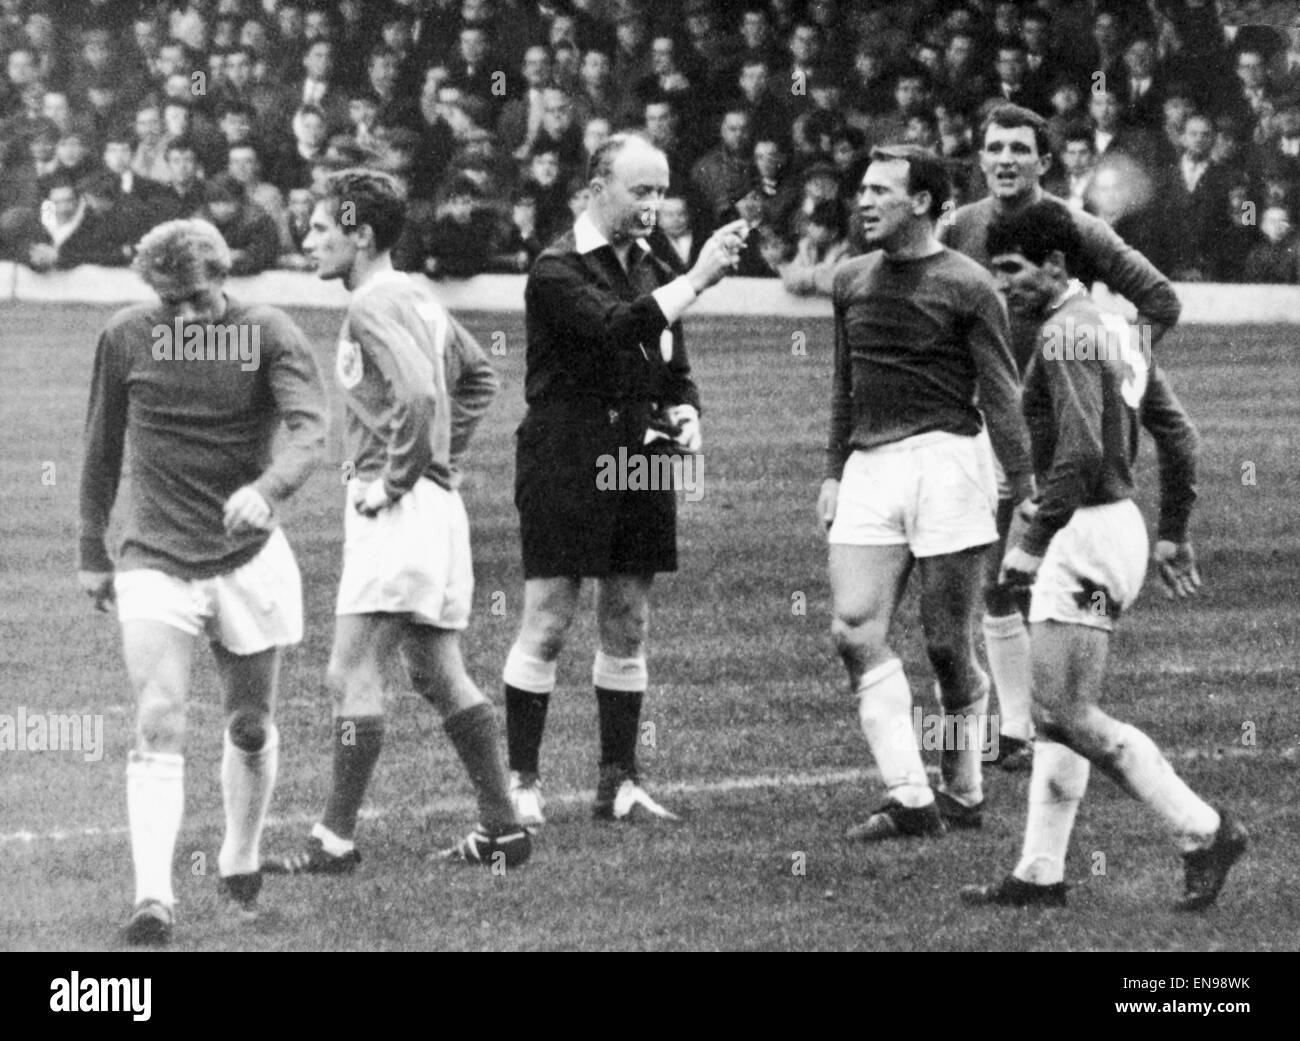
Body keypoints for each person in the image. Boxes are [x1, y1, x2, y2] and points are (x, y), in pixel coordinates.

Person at [962, 199, 1246, 909]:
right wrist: (1173, 527)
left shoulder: (1063, 333)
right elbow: (1174, 437)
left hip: (1083, 532)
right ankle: (1039, 870)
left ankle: (1203, 828)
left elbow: (1084, 452)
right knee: (1061, 713)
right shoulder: (1113, 325)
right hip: (1111, 527)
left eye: (1014, 271)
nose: (1005, 287)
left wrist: (1030, 542)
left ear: (1056, 265)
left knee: (1065, 713)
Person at [263, 168, 530, 874]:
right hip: (437, 510)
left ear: (361, 233)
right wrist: (439, 457)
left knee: (350, 670)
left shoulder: (372, 307)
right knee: (439, 672)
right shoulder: (419, 295)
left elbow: (416, 390)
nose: (310, 237)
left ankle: (333, 839)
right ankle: (502, 826)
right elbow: (477, 378)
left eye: (323, 228)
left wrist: (398, 475)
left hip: (398, 508)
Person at [77, 218, 329, 944]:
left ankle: (241, 852)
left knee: (249, 724)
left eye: (197, 298)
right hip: (152, 552)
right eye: (169, 302)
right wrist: (91, 550)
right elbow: (99, 448)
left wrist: (270, 487)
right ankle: (152, 897)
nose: (185, 315)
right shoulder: (127, 335)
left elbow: (312, 428)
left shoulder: (269, 329)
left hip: (247, 553)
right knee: (158, 716)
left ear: (224, 277)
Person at [942, 104, 1199, 772]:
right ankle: (1019, 727)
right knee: (997, 583)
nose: (1003, 159)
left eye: (1019, 149)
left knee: (1027, 569)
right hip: (991, 425)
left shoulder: (1078, 229)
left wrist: (1127, 367)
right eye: (992, 147)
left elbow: (1161, 299)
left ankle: (1048, 724)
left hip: (1061, 424)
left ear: (1044, 161)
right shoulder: (960, 228)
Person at [502, 133, 747, 827]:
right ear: (596, 188)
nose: (655, 204)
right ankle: (522, 780)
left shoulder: (651, 258)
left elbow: (670, 354)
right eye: (641, 190)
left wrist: (685, 407)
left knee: (629, 617)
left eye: (662, 190)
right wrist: (695, 279)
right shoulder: (555, 268)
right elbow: (617, 328)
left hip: (641, 447)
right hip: (567, 450)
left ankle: (620, 782)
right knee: (548, 616)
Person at [820, 145, 1036, 841]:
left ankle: (963, 788)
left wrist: (1025, 487)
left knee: (947, 645)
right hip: (870, 469)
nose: (864, 200)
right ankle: (910, 796)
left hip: (949, 465)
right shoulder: (850, 279)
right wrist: (832, 470)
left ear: (923, 203)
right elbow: (843, 384)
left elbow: (1001, 391)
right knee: (853, 628)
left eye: (881, 190)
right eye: (863, 189)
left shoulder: (970, 284)